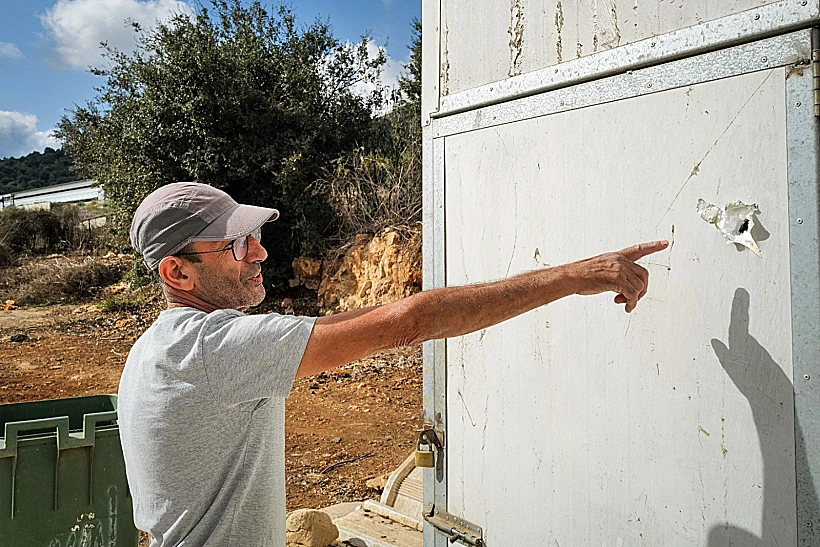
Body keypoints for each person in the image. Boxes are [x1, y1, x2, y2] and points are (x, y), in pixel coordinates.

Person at [118, 182, 668, 546]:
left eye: (254, 237)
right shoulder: (213, 348)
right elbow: (409, 322)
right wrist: (574, 276)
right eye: (236, 245)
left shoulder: (158, 349)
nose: (260, 253)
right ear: (178, 272)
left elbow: (363, 320)